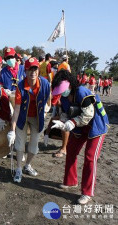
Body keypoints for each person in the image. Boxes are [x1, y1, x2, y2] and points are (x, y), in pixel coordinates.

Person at [51, 70, 109, 204]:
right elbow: (66, 113)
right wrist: (63, 122)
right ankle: (71, 181)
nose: (62, 92)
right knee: (71, 150)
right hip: (80, 128)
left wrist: (73, 122)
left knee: (90, 156)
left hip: (96, 126)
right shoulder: (64, 98)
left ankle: (87, 192)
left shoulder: (82, 92)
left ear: (70, 84)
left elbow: (88, 114)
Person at [7, 57, 50, 183]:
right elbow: (17, 109)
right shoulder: (21, 86)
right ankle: (19, 168)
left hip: (37, 117)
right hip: (22, 117)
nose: (33, 72)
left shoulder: (45, 84)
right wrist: (12, 130)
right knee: (20, 144)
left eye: (35, 69)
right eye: (29, 69)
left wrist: (47, 109)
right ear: (25, 71)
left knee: (34, 145)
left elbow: (48, 99)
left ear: (38, 70)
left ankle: (28, 165)